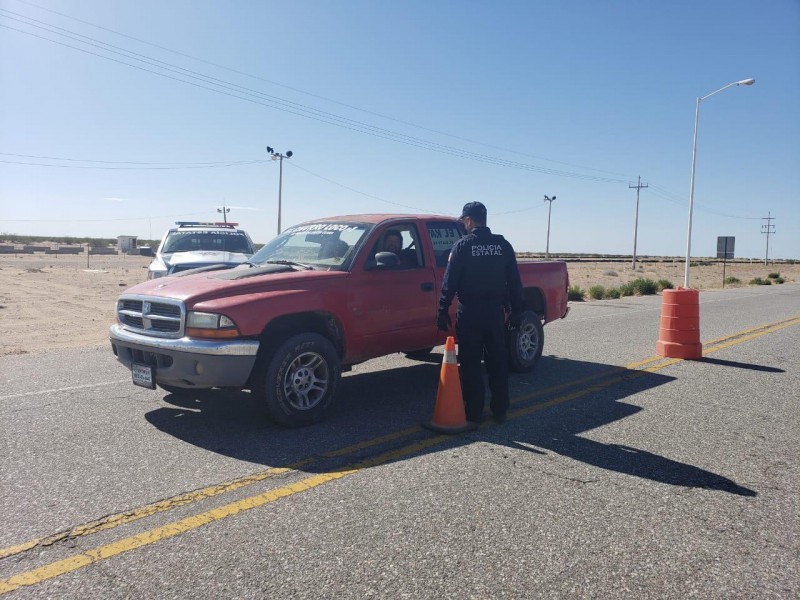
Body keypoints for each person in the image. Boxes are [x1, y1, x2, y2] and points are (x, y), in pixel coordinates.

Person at [436, 201, 523, 424]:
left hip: (470, 314)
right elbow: (514, 281)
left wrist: (443, 309)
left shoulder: (463, 246)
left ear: (468, 220)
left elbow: (450, 282)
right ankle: (500, 410)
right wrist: (517, 311)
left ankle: (474, 413)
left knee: (471, 365)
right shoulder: (502, 245)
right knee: (498, 363)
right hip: (495, 314)